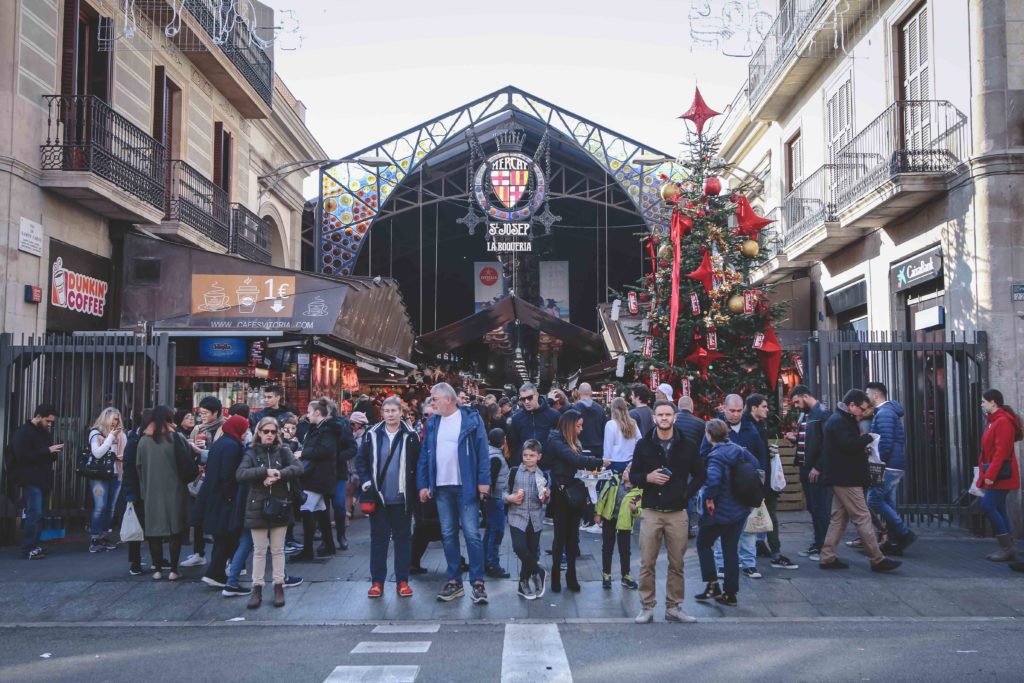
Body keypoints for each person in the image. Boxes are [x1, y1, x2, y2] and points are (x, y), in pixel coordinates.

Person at [417, 382, 492, 604]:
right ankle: (454, 581)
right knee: (448, 534)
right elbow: (425, 454)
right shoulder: (432, 423)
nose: (432, 402)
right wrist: (423, 484)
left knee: (471, 534)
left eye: (435, 398)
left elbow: (482, 450)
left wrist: (483, 481)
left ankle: (477, 582)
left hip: (465, 486)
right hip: (441, 487)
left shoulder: (470, 419)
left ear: (449, 399)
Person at [630, 401, 705, 624]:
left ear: (674, 417)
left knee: (677, 563)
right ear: (654, 418)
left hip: (677, 512)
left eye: (668, 414)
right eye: (660, 415)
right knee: (647, 562)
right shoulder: (643, 445)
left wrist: (686, 494)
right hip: (652, 510)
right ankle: (647, 606)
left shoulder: (687, 445)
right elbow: (633, 476)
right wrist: (647, 478)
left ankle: (674, 606)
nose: (664, 418)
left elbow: (701, 475)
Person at [819, 389, 901, 572]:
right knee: (863, 517)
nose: (863, 413)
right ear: (851, 406)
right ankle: (877, 559)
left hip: (842, 477)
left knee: (838, 518)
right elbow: (849, 445)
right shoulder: (840, 421)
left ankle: (827, 556)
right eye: (861, 409)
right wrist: (867, 439)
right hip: (847, 478)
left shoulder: (840, 419)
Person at [236, 416, 304, 608]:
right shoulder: (251, 452)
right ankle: (256, 588)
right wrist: (264, 472)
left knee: (277, 549)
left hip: (280, 505)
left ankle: (278, 586)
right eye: (266, 431)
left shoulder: (283, 451)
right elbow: (241, 474)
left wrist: (279, 474)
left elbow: (298, 468)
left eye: (273, 432)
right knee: (259, 550)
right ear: (258, 432)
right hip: (257, 506)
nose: (269, 435)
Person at [357, 396, 421, 598]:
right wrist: (367, 482)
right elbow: (361, 461)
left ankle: (402, 581)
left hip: (402, 498)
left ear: (401, 412)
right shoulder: (371, 434)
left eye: (394, 411)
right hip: (379, 497)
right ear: (382, 413)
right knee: (379, 540)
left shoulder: (411, 436)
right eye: (387, 411)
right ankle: (377, 582)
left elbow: (418, 464)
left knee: (403, 540)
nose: (391, 414)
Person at [695, 419, 762, 607]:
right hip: (739, 510)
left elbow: (713, 481)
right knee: (730, 549)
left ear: (709, 436)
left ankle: (712, 584)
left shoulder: (715, 456)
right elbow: (756, 464)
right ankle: (731, 594)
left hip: (718, 511)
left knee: (703, 544)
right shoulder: (739, 450)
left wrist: (709, 498)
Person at [700, 394, 766, 578]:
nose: (735, 414)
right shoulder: (716, 428)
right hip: (724, 487)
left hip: (745, 486)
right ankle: (722, 564)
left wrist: (759, 481)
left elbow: (760, 456)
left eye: (738, 410)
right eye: (732, 411)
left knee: (748, 528)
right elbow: (704, 454)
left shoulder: (750, 428)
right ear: (724, 408)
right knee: (723, 527)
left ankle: (749, 563)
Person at [544, 410, 607, 593]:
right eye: (578, 426)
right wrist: (600, 462)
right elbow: (575, 460)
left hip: (574, 493)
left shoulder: (571, 441)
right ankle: (557, 575)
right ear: (569, 425)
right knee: (561, 536)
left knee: (573, 538)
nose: (580, 430)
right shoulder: (556, 441)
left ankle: (570, 575)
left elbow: (576, 462)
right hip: (562, 494)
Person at [193, 414, 248, 588]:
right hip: (224, 499)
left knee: (222, 537)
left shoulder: (222, 443)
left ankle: (217, 572)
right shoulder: (232, 446)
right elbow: (227, 474)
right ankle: (215, 573)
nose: (246, 433)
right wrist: (231, 495)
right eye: (245, 429)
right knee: (226, 536)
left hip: (213, 496)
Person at [137, 406, 191, 581]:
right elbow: (187, 460)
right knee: (175, 530)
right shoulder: (175, 438)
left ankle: (158, 569)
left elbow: (139, 468)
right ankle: (174, 570)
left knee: (154, 531)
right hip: (175, 489)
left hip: (151, 491)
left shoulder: (143, 441)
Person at [746, 394, 797, 570]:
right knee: (759, 516)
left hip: (764, 478)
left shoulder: (760, 424)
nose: (767, 409)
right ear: (753, 408)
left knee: (771, 515)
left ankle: (770, 550)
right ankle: (765, 553)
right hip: (755, 479)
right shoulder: (748, 426)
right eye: (764, 406)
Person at [864, 382, 916, 555]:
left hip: (887, 465)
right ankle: (894, 541)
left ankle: (904, 533)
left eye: (868, 394)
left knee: (873, 500)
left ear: (876, 395)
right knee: (888, 502)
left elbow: (884, 441)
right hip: (893, 465)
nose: (866, 397)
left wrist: (879, 462)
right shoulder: (887, 412)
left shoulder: (884, 413)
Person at [11, 404, 63, 560]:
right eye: (48, 421)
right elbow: (22, 456)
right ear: (39, 416)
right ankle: (28, 547)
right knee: (35, 513)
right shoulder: (23, 432)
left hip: (42, 478)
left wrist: (52, 453)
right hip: (30, 478)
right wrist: (48, 451)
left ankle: (35, 545)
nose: (49, 424)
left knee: (40, 513)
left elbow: (46, 455)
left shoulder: (44, 433)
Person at [976, 389, 1022, 562]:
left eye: (983, 401)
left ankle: (1006, 547)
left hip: (1001, 475)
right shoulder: (994, 421)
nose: (981, 404)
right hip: (996, 474)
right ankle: (1008, 547)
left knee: (987, 506)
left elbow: (1001, 453)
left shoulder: (1002, 422)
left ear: (993, 402)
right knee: (1000, 509)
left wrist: (990, 475)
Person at [787, 385, 831, 561]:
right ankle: (818, 543)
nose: (796, 405)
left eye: (797, 401)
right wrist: (796, 439)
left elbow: (828, 444)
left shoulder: (822, 414)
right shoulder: (807, 414)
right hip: (806, 468)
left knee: (820, 508)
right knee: (814, 508)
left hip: (816, 470)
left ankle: (823, 546)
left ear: (805, 396)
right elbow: (811, 441)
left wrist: (818, 467)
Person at [292, 399, 339, 561]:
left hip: (318, 477)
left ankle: (307, 551)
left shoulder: (327, 430)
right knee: (320, 511)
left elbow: (324, 450)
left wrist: (303, 453)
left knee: (307, 511)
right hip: (318, 476)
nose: (307, 414)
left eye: (309, 411)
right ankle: (329, 545)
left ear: (317, 413)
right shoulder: (319, 428)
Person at [505, 439, 552, 600]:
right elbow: (502, 493)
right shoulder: (514, 472)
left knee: (531, 552)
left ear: (539, 456)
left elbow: (545, 500)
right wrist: (510, 498)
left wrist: (546, 495)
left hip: (535, 518)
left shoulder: (543, 475)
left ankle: (522, 583)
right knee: (519, 547)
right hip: (517, 516)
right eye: (525, 455)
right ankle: (539, 572)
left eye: (532, 455)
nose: (528, 458)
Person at [183, 396, 224, 568]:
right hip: (200, 477)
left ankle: (221, 557)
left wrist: (201, 451)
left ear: (216, 412)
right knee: (198, 515)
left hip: (217, 477)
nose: (203, 416)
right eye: (201, 413)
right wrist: (192, 448)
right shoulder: (198, 428)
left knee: (218, 517)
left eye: (206, 413)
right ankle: (198, 553)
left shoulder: (223, 428)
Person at [85, 408, 127, 553]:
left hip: (116, 473)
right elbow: (97, 453)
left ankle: (104, 535)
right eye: (113, 419)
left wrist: (122, 457)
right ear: (105, 419)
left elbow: (125, 451)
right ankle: (95, 537)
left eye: (117, 419)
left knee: (110, 507)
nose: (115, 422)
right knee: (100, 506)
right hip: (100, 475)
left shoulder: (121, 434)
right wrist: (110, 437)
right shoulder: (95, 433)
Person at [595, 463, 641, 590]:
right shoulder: (614, 480)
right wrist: (598, 513)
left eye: (629, 471)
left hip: (624, 523)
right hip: (609, 518)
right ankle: (606, 574)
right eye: (626, 469)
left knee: (625, 550)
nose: (625, 472)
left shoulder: (638, 491)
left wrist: (635, 510)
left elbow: (641, 509)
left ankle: (626, 576)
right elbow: (603, 496)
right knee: (607, 547)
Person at [508, 382, 561, 466]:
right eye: (523, 399)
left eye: (529, 397)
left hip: (548, 466)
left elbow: (560, 440)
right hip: (525, 466)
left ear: (537, 395)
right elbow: (514, 444)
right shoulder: (516, 419)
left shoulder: (554, 415)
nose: (526, 401)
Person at [675, 396, 705, 538]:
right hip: (691, 463)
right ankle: (685, 529)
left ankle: (671, 528)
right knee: (689, 495)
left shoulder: (672, 419)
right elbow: (703, 446)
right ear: (691, 407)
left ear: (678, 406)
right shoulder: (700, 423)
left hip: (673, 462)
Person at [329, 406, 358, 552]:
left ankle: (341, 535)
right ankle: (326, 539)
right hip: (319, 473)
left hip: (338, 472)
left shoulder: (342, 428)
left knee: (339, 504)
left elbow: (352, 448)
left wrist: (338, 458)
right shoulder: (314, 428)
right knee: (319, 507)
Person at [484, 428, 511, 579]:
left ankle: (485, 561)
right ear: (502, 440)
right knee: (497, 531)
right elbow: (492, 479)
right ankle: (493, 563)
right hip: (496, 499)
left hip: (492, 499)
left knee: (490, 531)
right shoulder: (496, 457)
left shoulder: (490, 453)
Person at [602, 397, 640, 473]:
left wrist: (605, 461)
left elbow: (608, 446)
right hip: (630, 461)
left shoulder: (611, 424)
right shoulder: (632, 423)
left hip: (615, 461)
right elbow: (639, 440)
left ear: (613, 409)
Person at [573, 383, 608, 459]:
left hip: (582, 447)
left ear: (579, 392)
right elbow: (604, 429)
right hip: (599, 448)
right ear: (591, 392)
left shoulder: (574, 408)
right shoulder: (600, 409)